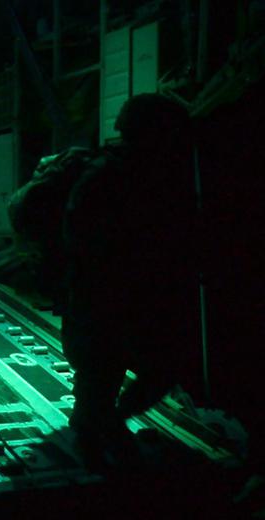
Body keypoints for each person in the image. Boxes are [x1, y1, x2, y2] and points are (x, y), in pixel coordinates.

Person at [61, 94, 202, 465]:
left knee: (106, 370)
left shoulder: (112, 172)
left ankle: (102, 424)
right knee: (108, 370)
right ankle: (99, 436)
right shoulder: (127, 176)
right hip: (111, 291)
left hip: (104, 292)